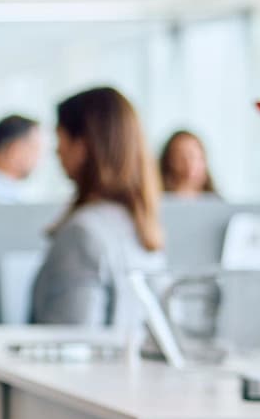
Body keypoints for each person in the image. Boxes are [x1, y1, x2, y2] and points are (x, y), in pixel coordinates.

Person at [31, 86, 165, 331]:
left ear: (82, 145)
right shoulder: (140, 226)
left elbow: (71, 341)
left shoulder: (82, 234)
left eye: (60, 138)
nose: (56, 151)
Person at [160, 128, 220, 199]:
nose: (188, 163)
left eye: (194, 156)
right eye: (180, 157)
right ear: (168, 162)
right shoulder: (156, 200)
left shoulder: (220, 204)